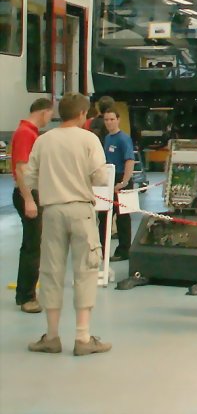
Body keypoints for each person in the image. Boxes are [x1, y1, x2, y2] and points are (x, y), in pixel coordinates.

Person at [23, 92, 111, 356]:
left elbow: (30, 177)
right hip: (81, 211)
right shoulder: (89, 139)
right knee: (85, 270)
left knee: (51, 270)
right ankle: (83, 338)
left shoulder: (44, 140)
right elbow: (99, 177)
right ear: (83, 114)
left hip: (51, 211)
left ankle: (51, 336)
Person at [12, 97, 54, 314]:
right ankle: (27, 296)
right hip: (28, 194)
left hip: (33, 193)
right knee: (32, 247)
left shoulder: (30, 133)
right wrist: (28, 198)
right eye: (50, 114)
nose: (50, 119)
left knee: (33, 245)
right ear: (44, 112)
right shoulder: (26, 133)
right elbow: (21, 169)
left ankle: (25, 292)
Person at [96, 109, 135, 261]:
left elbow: (129, 161)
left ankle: (124, 251)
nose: (109, 122)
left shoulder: (123, 139)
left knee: (123, 218)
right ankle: (102, 250)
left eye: (112, 119)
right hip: (109, 178)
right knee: (104, 216)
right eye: (106, 120)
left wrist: (124, 182)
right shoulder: (107, 138)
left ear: (118, 120)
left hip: (121, 178)